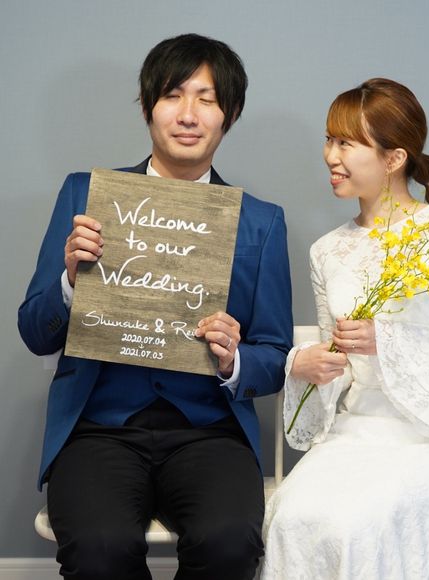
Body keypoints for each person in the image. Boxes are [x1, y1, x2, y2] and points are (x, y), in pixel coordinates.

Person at [18, 33, 292, 580]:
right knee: (98, 549)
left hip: (210, 432)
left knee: (231, 543)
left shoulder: (260, 221)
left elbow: (275, 354)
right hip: (98, 428)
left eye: (207, 99)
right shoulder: (87, 195)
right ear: (147, 106)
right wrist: (70, 280)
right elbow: (34, 331)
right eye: (172, 95)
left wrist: (234, 358)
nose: (188, 114)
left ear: (229, 114)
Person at [261, 78, 429, 579]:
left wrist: (391, 340)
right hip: (355, 433)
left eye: (346, 143)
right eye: (329, 139)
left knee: (359, 525)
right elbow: (337, 358)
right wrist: (313, 363)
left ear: (394, 158)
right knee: (292, 516)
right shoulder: (327, 251)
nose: (331, 156)